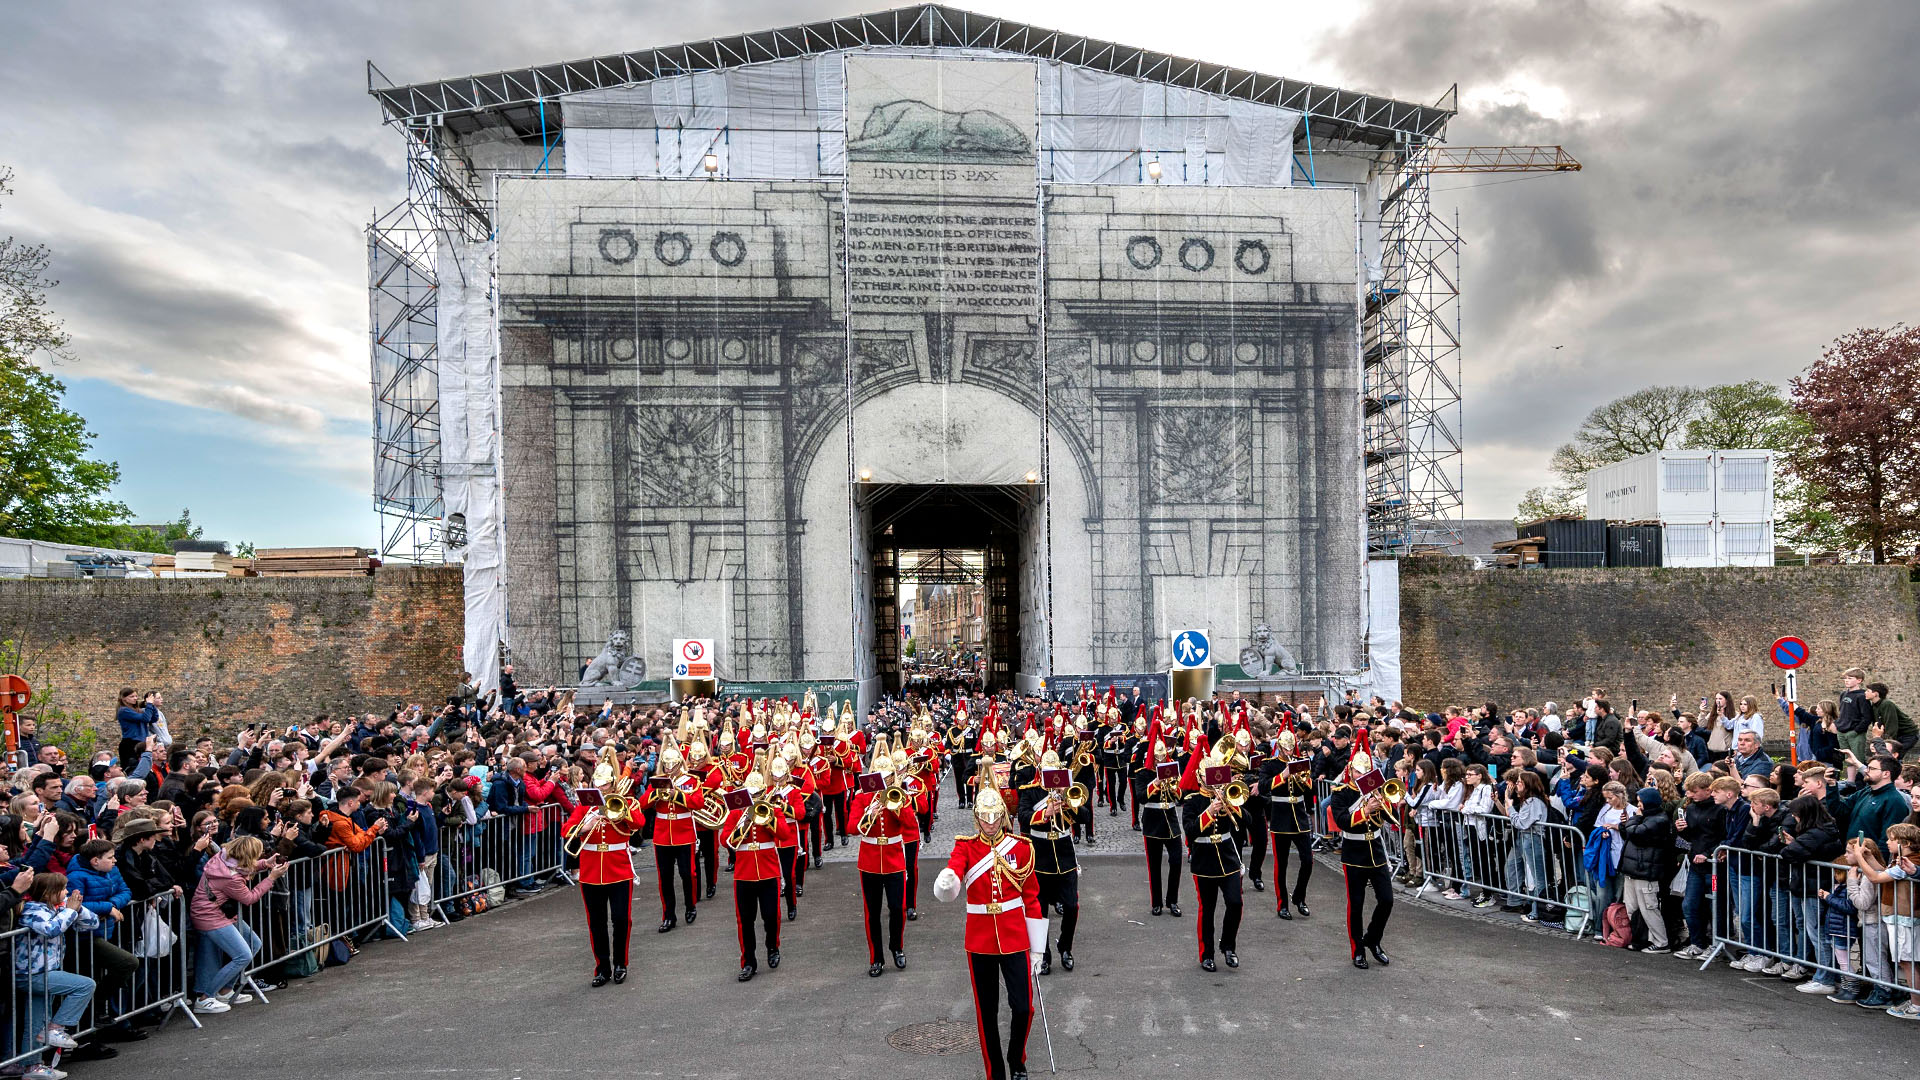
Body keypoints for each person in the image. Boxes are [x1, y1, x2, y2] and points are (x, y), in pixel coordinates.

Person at [932, 787, 1044, 1080]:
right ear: (976, 819)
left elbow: (1031, 898)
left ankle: (1016, 1059)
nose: (991, 823)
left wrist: (1038, 947)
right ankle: (995, 1072)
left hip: (1015, 936)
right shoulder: (965, 847)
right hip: (980, 940)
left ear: (1003, 816)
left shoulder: (1020, 847)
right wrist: (948, 880)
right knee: (987, 1014)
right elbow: (956, 871)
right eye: (985, 818)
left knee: (1024, 1008)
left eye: (995, 817)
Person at [190, 835, 288, 1013]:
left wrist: (265, 864)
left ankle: (225, 990)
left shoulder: (223, 856)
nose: (259, 856)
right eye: (257, 855)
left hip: (219, 912)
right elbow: (249, 898)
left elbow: (243, 867)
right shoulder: (230, 878)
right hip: (210, 916)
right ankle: (205, 998)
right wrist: (271, 878)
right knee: (243, 955)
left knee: (254, 943)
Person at [15, 870, 97, 1079]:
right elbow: (52, 929)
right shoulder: (32, 910)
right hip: (31, 974)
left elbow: (92, 924)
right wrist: (68, 911)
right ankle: (56, 1028)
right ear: (48, 892)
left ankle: (32, 1067)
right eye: (62, 889)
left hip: (45, 972)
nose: (67, 892)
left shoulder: (58, 908)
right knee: (85, 985)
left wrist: (77, 908)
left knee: (35, 1022)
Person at [559, 776, 637, 987]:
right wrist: (585, 827)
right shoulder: (586, 808)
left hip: (619, 870)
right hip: (592, 872)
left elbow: (639, 823)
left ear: (612, 785)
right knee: (597, 923)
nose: (600, 788)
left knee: (621, 919)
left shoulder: (625, 801)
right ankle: (602, 967)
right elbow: (565, 829)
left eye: (604, 784)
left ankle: (621, 963)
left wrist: (622, 812)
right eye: (597, 784)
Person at [1181, 742, 1246, 972]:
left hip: (1228, 858)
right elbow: (1190, 830)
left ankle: (1228, 946)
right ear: (1200, 778)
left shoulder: (1227, 794)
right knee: (1206, 910)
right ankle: (1206, 953)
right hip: (1204, 862)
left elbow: (1245, 821)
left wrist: (1230, 804)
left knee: (1235, 903)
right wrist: (1209, 811)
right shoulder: (1192, 802)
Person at [1016, 750, 1079, 975]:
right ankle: (1043, 954)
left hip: (1064, 855)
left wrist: (1069, 803)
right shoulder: (1031, 791)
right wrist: (1045, 812)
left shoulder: (1068, 788)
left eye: (1055, 771)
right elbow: (1022, 815)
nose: (1051, 775)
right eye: (1047, 771)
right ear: (1040, 771)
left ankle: (1065, 947)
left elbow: (1085, 817)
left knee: (1072, 906)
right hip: (1041, 856)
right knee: (1040, 911)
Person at [721, 772, 787, 983]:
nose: (755, 798)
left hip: (768, 871)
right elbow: (727, 841)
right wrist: (745, 821)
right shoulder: (735, 814)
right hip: (744, 874)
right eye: (752, 795)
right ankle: (748, 961)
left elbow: (784, 834)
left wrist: (768, 820)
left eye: (758, 794)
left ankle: (772, 946)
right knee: (745, 921)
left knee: (771, 916)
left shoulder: (773, 810)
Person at [849, 753, 910, 978]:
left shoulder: (899, 795)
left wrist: (897, 807)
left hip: (894, 860)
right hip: (870, 862)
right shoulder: (862, 797)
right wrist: (869, 813)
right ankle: (876, 957)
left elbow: (911, 823)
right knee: (872, 913)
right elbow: (851, 828)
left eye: (888, 778)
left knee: (897, 909)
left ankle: (897, 947)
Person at [644, 746, 703, 933]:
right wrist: (656, 793)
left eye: (672, 765)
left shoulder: (691, 780)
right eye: (666, 765)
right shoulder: (657, 781)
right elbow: (643, 803)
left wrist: (676, 794)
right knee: (665, 878)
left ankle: (690, 905)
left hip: (684, 832)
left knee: (688, 874)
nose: (669, 768)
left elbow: (698, 802)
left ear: (679, 764)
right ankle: (669, 915)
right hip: (662, 835)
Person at [1618, 787, 1674, 952]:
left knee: (1649, 908)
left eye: (1641, 801)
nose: (1638, 805)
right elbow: (1629, 834)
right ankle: (1641, 939)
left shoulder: (1659, 820)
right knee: (1632, 908)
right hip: (1633, 869)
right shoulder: (1646, 818)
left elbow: (1637, 834)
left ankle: (1661, 942)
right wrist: (1626, 824)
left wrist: (1632, 821)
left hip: (1647, 870)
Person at [1138, 734, 1183, 917]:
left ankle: (1172, 901)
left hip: (1170, 820)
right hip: (1152, 821)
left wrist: (1172, 787)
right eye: (1157, 758)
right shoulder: (1143, 773)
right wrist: (1155, 782)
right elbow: (1141, 797)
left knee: (1176, 861)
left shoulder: (1173, 770)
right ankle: (1156, 902)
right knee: (1154, 865)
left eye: (1163, 757)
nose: (1160, 760)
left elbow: (1180, 795)